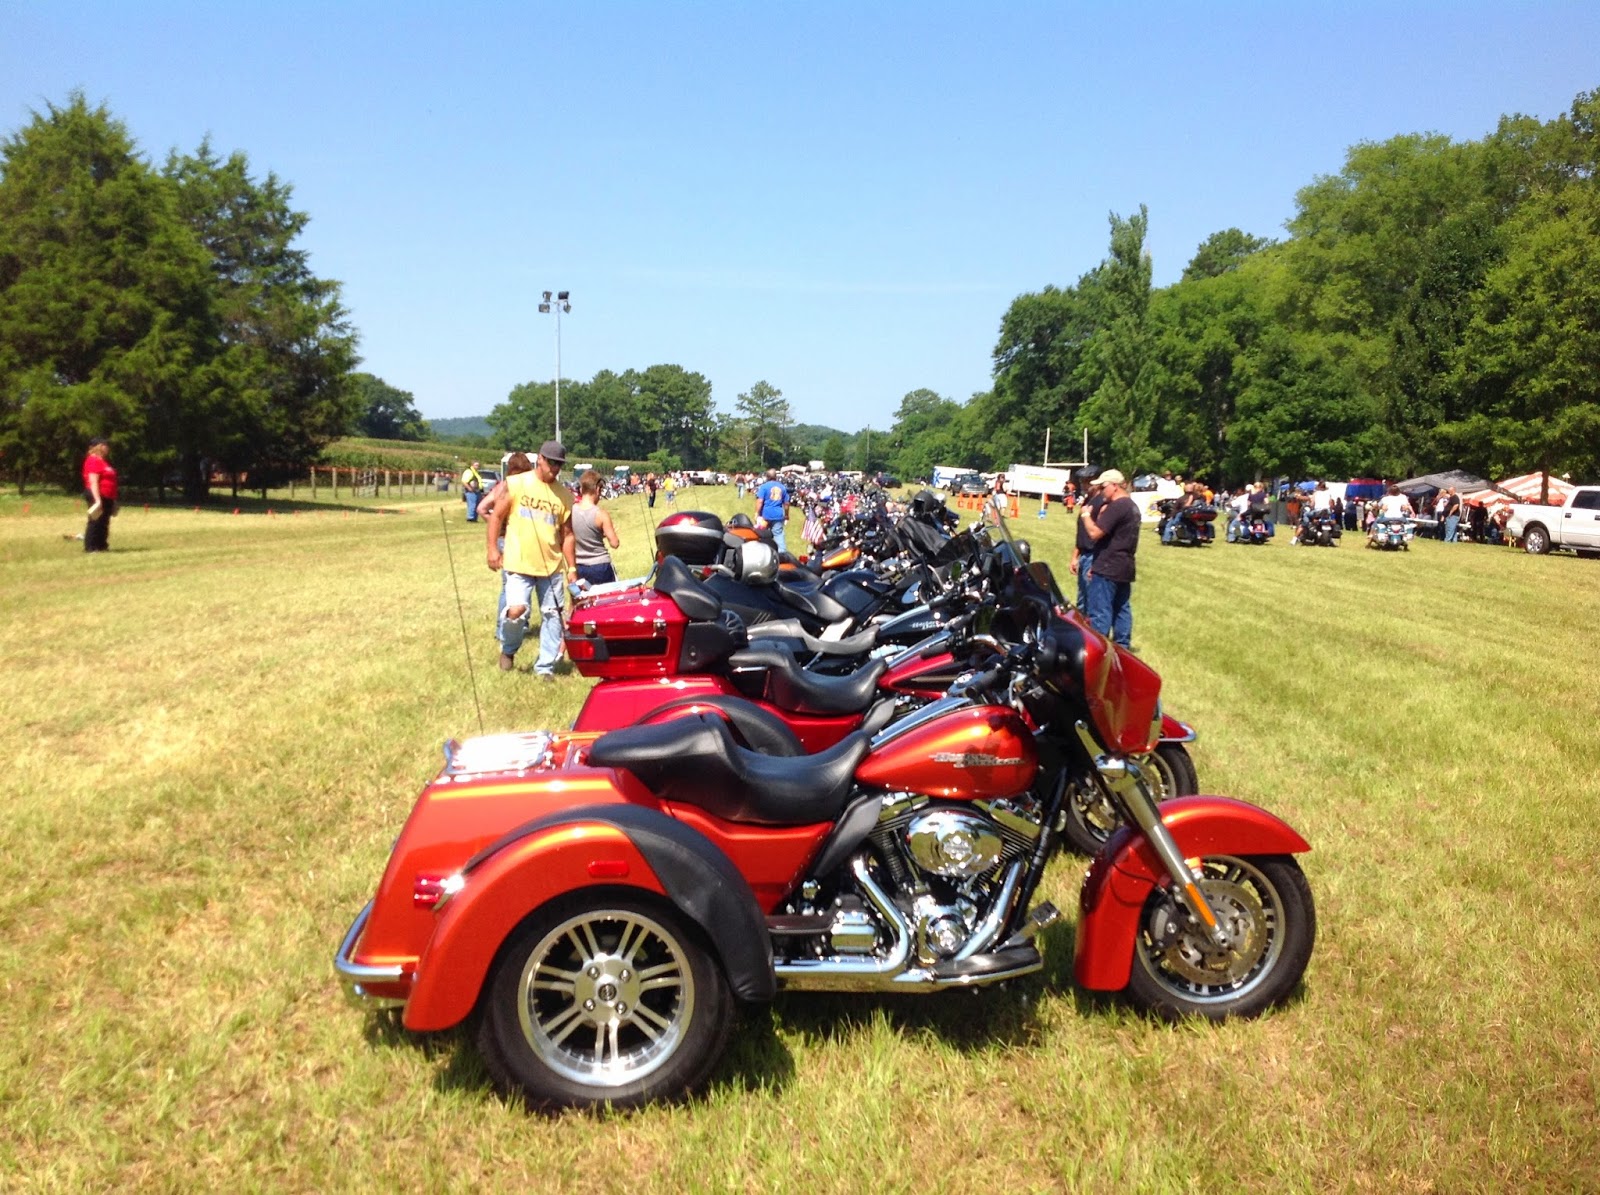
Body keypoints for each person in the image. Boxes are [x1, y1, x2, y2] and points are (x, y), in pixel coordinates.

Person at [487, 441, 576, 678]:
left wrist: (572, 568)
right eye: (552, 463)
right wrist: (492, 549)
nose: (555, 468)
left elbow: (568, 535)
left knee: (553, 615)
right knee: (516, 611)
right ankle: (508, 649)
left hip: (551, 567)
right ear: (540, 459)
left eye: (559, 464)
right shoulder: (517, 483)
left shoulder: (565, 496)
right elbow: (496, 516)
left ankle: (545, 667)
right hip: (518, 563)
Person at [1078, 469, 1139, 648]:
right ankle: (1122, 647)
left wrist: (1086, 515)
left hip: (1108, 566)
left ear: (1114, 486)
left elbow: (1094, 533)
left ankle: (1098, 647)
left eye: (1103, 487)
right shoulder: (1131, 506)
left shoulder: (1117, 506)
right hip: (1124, 565)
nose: (1101, 491)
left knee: (1100, 610)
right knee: (1121, 609)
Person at [573, 469, 621, 587]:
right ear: (597, 489)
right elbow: (614, 543)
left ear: (581, 489)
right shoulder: (601, 514)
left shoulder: (571, 511)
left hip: (579, 566)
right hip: (601, 566)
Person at [1069, 476, 1105, 610]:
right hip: (1084, 553)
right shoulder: (1087, 501)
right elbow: (1081, 533)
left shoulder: (1101, 503)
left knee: (1091, 597)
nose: (1084, 485)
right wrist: (1075, 557)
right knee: (1081, 597)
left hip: (1094, 554)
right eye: (1082, 482)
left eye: (1087, 482)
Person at [81, 436, 118, 552]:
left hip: (107, 495)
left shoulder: (103, 461)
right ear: (99, 446)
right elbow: (93, 481)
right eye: (105, 445)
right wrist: (97, 500)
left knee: (104, 522)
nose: (107, 448)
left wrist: (113, 500)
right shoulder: (93, 460)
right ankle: (91, 547)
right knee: (95, 521)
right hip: (97, 494)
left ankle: (102, 545)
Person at [755, 468, 791, 554]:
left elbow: (760, 501)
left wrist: (757, 513)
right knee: (778, 535)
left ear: (767, 477)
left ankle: (762, 552)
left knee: (762, 534)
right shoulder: (782, 487)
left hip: (765, 515)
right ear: (776, 476)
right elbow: (786, 504)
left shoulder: (764, 487)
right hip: (778, 515)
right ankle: (782, 555)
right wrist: (786, 515)